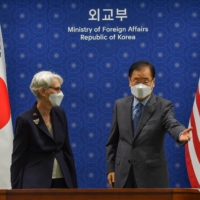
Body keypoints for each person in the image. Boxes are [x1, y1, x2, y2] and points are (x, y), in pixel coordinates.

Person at [106, 60, 192, 188]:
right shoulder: (120, 105)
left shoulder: (163, 106)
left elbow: (171, 123)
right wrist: (111, 168)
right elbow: (113, 141)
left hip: (151, 177)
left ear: (153, 82)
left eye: (145, 81)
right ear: (129, 81)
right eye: (136, 81)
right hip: (123, 175)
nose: (141, 85)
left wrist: (180, 134)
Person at [11, 71, 78, 189]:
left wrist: (73, 184)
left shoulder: (60, 113)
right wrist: (16, 191)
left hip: (62, 180)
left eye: (60, 89)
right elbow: (18, 158)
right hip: (36, 182)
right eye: (56, 89)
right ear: (43, 91)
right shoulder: (25, 120)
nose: (60, 93)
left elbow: (67, 150)